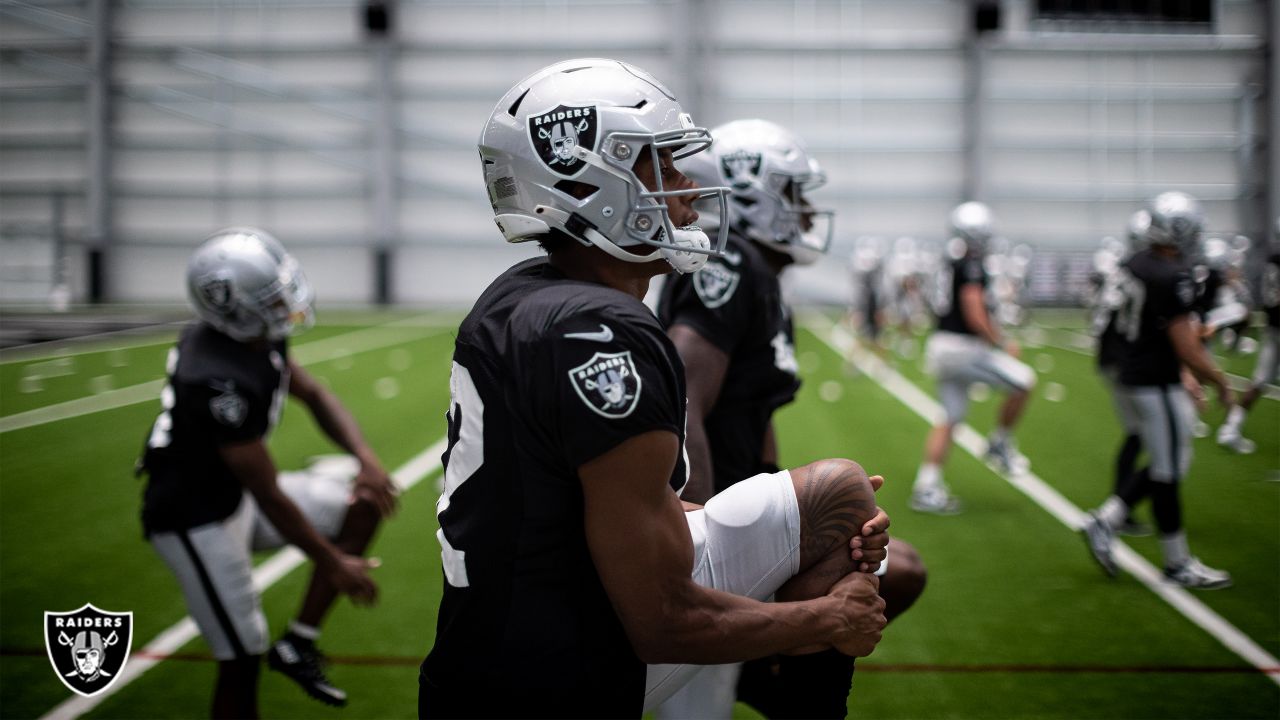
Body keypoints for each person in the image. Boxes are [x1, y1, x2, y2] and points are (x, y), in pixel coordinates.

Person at [419, 58, 890, 719]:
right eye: (662, 165)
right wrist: (826, 618)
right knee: (839, 500)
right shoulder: (601, 331)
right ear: (587, 182)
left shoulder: (522, 294)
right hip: (559, 679)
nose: (689, 188)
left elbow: (575, 505)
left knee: (832, 508)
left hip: (492, 648)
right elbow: (664, 620)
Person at [654, 119, 927, 719]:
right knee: (880, 559)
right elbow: (683, 393)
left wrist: (786, 497)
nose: (806, 214)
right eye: (794, 195)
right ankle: (762, 672)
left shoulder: (762, 275)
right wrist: (695, 534)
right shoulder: (731, 263)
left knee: (894, 564)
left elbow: (756, 413)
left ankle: (761, 671)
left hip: (733, 492)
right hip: (708, 509)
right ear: (753, 193)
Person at [137, 227, 397, 718]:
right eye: (270, 301)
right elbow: (270, 492)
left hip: (237, 496)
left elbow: (314, 393)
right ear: (229, 310)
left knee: (361, 504)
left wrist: (365, 456)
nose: (284, 308)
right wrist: (332, 563)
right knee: (241, 655)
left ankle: (299, 643)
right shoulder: (216, 379)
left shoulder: (256, 339)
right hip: (196, 516)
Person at [1081, 191, 1236, 589]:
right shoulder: (1171, 273)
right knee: (1168, 469)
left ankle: (1109, 518)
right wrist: (1218, 379)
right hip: (1153, 377)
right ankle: (1176, 560)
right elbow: (1184, 342)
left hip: (1132, 371)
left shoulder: (1136, 263)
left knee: (1171, 458)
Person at [909, 202, 1037, 514]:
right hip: (962, 348)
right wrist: (1000, 340)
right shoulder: (971, 264)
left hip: (941, 343)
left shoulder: (949, 260)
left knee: (949, 418)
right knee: (1023, 382)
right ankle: (1000, 442)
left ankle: (926, 486)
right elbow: (973, 307)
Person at [1088, 211, 1155, 537]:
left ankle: (1122, 504)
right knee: (1146, 436)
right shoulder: (1139, 271)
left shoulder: (1123, 269)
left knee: (1140, 434)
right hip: (1126, 361)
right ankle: (1120, 507)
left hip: (1115, 358)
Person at [1217, 228, 1279, 453]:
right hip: (1276, 325)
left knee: (1260, 380)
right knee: (1261, 380)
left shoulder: (1272, 257)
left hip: (1272, 326)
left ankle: (1231, 427)